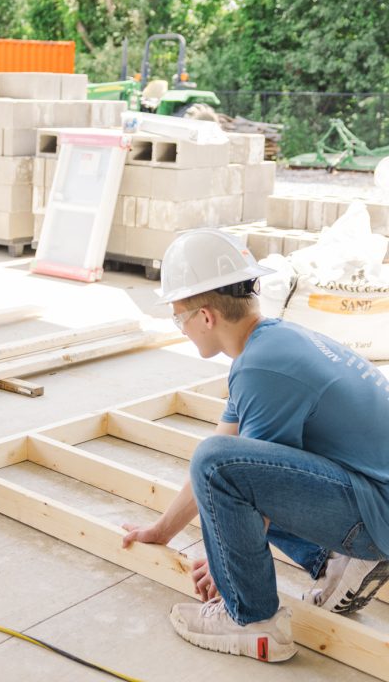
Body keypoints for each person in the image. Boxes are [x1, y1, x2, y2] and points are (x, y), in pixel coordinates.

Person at [121, 229, 389, 663]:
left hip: (376, 513)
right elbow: (226, 455)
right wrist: (161, 531)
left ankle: (253, 621)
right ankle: (335, 559)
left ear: (205, 316)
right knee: (220, 461)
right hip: (371, 500)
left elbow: (230, 476)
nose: (181, 328)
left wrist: (226, 569)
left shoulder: (263, 368)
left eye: (178, 317)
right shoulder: (272, 345)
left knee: (219, 468)